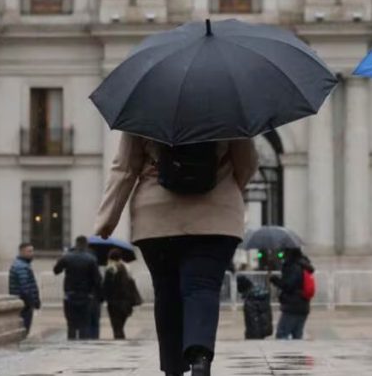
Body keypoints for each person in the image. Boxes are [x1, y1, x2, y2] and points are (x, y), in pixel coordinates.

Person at [95, 133, 258, 376]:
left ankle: (173, 368)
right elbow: (247, 163)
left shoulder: (143, 108)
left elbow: (125, 168)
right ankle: (200, 358)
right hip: (215, 218)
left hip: (157, 219)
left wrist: (107, 221)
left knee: (166, 291)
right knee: (202, 287)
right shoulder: (228, 111)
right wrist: (226, 190)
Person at [53, 235, 102, 340]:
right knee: (84, 324)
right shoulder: (91, 259)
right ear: (86, 245)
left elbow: (56, 271)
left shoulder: (67, 257)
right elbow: (97, 280)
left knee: (71, 324)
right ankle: (81, 347)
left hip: (70, 294)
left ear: (76, 244)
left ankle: (71, 344)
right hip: (86, 295)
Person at [270, 248, 314, 340]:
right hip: (303, 305)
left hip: (292, 306)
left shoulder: (293, 266)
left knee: (282, 334)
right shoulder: (304, 265)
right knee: (297, 336)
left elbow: (289, 285)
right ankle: (298, 354)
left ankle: (284, 354)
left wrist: (276, 280)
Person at [102, 249, 137, 339]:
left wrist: (103, 298)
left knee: (116, 327)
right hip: (126, 302)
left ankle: (119, 347)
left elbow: (106, 286)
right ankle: (121, 344)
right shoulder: (126, 267)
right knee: (120, 327)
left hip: (114, 303)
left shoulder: (110, 268)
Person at [9, 243, 41, 335]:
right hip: (24, 304)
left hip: (24, 303)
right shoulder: (21, 266)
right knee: (23, 330)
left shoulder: (23, 265)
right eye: (29, 251)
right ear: (22, 252)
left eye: (32, 251)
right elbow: (25, 288)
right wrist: (32, 302)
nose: (32, 253)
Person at [237, 274, 273, 340]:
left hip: (254, 334)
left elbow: (252, 319)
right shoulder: (261, 294)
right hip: (265, 329)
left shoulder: (250, 300)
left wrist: (250, 335)